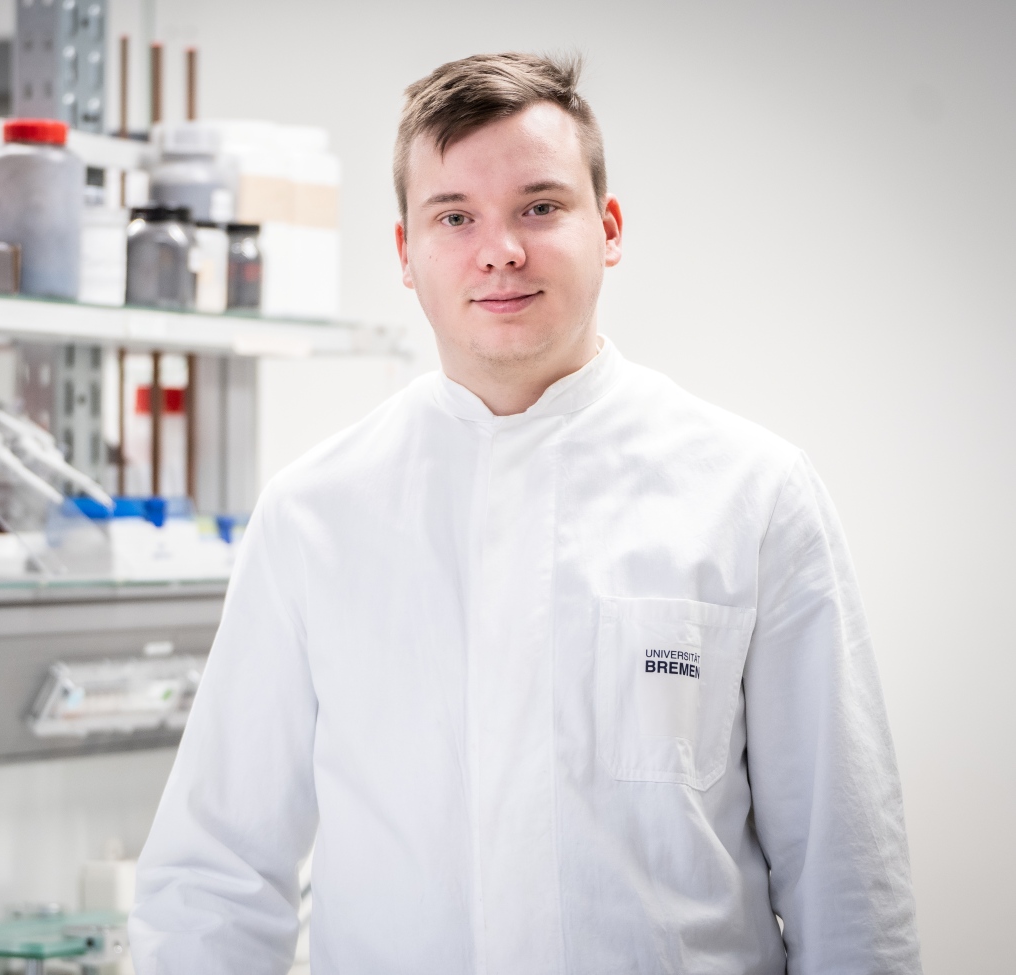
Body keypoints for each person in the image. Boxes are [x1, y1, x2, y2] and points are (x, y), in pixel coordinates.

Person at [130, 52, 921, 974]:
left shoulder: (752, 494)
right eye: (454, 216)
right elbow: (215, 875)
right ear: (404, 253)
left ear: (609, 227)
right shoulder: (315, 515)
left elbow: (848, 878)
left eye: (539, 207)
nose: (499, 248)